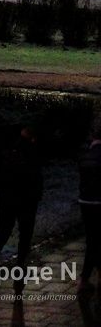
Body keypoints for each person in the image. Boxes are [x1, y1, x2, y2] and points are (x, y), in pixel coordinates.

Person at [0, 127, 42, 272]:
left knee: (3, 230)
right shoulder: (32, 153)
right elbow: (36, 177)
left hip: (7, 198)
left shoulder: (7, 151)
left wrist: (1, 189)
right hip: (27, 200)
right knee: (25, 233)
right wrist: (36, 196)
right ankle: (21, 261)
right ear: (33, 138)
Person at [79, 125, 101, 294]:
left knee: (92, 239)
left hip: (85, 202)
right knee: (95, 241)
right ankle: (86, 278)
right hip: (99, 202)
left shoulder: (85, 155)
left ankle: (86, 278)